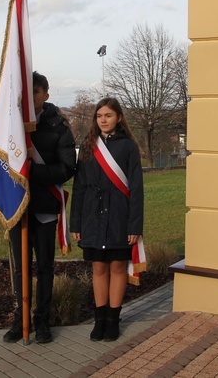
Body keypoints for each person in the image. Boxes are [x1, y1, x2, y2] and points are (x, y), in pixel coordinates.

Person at [3, 72, 76, 344]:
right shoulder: (10, 126)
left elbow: (67, 167)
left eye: (36, 91)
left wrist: (35, 173)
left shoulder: (59, 127)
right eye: (26, 91)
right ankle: (20, 318)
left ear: (45, 94)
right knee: (20, 269)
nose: (31, 96)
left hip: (44, 205)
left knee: (44, 266)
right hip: (17, 207)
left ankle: (42, 319)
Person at [70, 97, 144, 342]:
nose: (103, 120)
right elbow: (79, 187)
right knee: (99, 267)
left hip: (119, 216)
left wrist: (135, 225)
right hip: (92, 216)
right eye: (99, 116)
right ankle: (99, 319)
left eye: (108, 115)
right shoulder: (88, 145)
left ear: (119, 118)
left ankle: (113, 319)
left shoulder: (129, 147)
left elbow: (136, 188)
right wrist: (76, 223)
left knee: (118, 266)